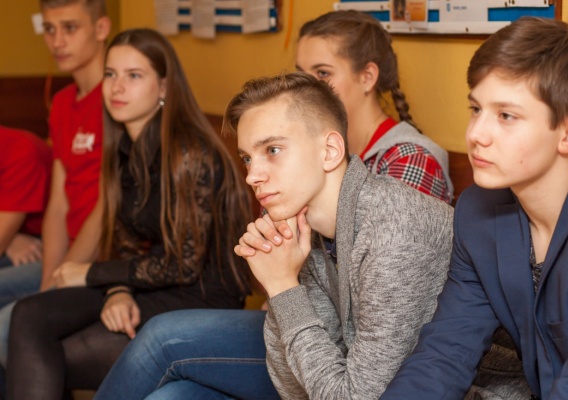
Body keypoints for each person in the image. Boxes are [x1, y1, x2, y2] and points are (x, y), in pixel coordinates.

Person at [95, 72, 453, 399]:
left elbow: (352, 397)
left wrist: (282, 287)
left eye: (273, 150)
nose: (252, 176)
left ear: (330, 151)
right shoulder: (303, 221)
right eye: (247, 158)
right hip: (336, 378)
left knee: (165, 341)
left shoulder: (394, 231)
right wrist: (281, 282)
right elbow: (292, 385)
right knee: (172, 397)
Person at [6, 28, 253, 400]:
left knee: (49, 351)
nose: (117, 87)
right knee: (29, 314)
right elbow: (124, 240)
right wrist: (118, 289)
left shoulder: (189, 152)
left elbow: (183, 266)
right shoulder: (126, 147)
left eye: (134, 75)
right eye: (111, 74)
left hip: (199, 297)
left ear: (164, 86)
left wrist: (92, 273)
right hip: (149, 284)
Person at [381, 17, 568, 400]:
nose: (476, 134)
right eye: (476, 108)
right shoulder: (477, 213)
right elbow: (446, 352)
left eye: (506, 116)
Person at [0, 0, 110, 370]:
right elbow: (59, 204)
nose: (57, 41)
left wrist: (64, 274)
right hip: (63, 253)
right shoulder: (62, 102)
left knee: (6, 328)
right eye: (49, 29)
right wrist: (50, 278)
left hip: (103, 260)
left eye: (70, 28)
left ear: (101, 29)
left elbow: (109, 203)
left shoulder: (118, 96)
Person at [296, 10, 453, 203]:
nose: (305, 87)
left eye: (323, 73)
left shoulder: (412, 158)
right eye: (301, 74)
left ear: (367, 77)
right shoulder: (309, 148)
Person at [0, 126, 52, 269]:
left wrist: (7, 237)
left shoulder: (19, 152)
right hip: (15, 233)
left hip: (47, 239)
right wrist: (12, 238)